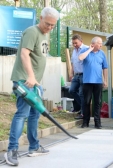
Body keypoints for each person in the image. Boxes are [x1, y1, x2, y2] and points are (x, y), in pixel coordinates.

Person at [4, 7, 59, 166]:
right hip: (24, 80)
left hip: (34, 83)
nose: (49, 28)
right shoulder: (31, 31)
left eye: (53, 26)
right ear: (40, 18)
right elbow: (24, 54)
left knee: (35, 114)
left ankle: (33, 147)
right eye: (47, 24)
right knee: (22, 113)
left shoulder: (44, 35)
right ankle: (12, 150)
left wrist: (37, 81)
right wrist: (31, 76)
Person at [79, 37, 108, 129]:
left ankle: (97, 122)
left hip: (98, 82)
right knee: (86, 102)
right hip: (87, 81)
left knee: (97, 103)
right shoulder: (85, 50)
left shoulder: (102, 53)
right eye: (99, 43)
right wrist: (89, 50)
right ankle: (85, 122)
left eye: (101, 43)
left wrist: (105, 80)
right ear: (93, 44)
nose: (101, 45)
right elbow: (80, 58)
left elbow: (105, 68)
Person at [68, 34, 88, 119]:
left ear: (81, 41)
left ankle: (83, 113)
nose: (74, 45)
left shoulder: (86, 49)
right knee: (71, 90)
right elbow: (73, 63)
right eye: (73, 43)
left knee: (81, 94)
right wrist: (71, 73)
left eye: (76, 43)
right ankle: (84, 108)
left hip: (84, 74)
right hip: (76, 75)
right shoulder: (74, 51)